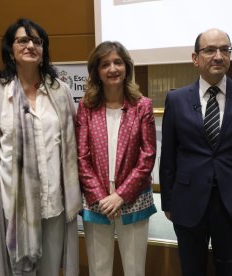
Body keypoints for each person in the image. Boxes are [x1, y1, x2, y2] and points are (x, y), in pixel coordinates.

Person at [0, 18, 82, 276]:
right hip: (15, 205)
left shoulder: (60, 91)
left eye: (37, 41)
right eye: (23, 40)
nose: (30, 45)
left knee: (50, 270)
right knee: (18, 271)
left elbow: (71, 138)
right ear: (10, 49)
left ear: (44, 50)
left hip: (54, 202)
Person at [159, 28, 232, 276]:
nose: (218, 56)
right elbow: (168, 157)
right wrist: (168, 201)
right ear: (195, 58)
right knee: (192, 269)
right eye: (209, 50)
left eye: (224, 49)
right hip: (187, 202)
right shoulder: (176, 100)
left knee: (229, 269)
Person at [76, 41, 157, 276]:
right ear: (96, 71)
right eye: (105, 64)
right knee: (99, 269)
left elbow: (148, 155)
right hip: (96, 200)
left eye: (118, 62)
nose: (113, 69)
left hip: (133, 199)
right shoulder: (86, 107)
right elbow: (82, 157)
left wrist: (121, 195)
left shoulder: (142, 106)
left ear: (126, 67)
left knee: (134, 269)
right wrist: (103, 198)